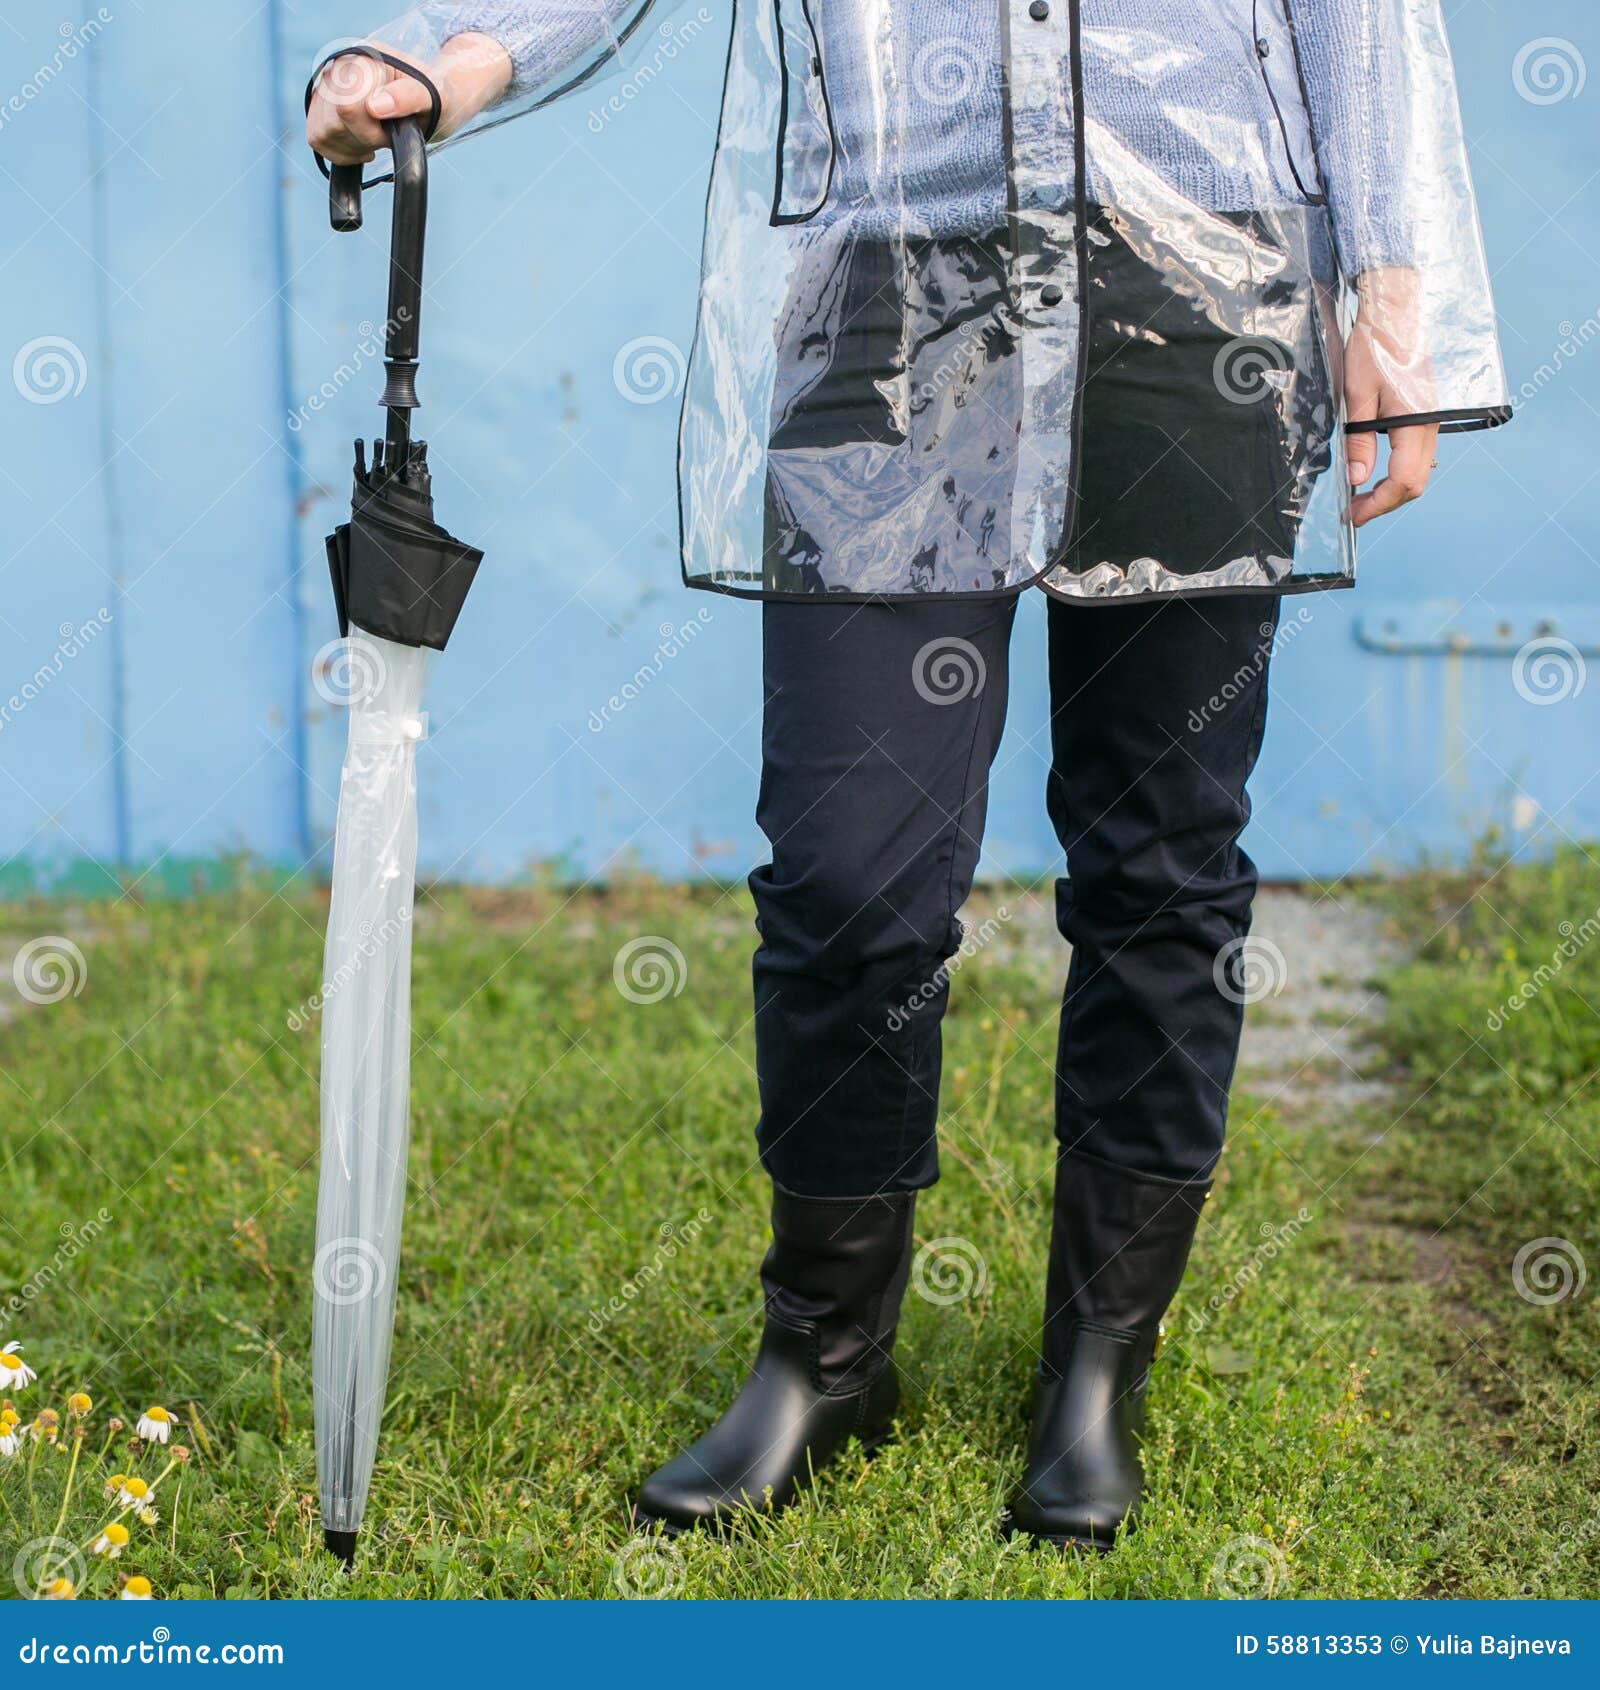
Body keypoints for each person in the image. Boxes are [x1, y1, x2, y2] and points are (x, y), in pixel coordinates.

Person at [309, 1, 1509, 1551]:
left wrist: (1394, 291)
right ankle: (824, 1351)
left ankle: (1095, 1373)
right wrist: (446, 57)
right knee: (845, 874)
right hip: (895, 284)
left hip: (1207, 277)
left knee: (1162, 859)